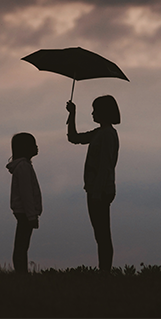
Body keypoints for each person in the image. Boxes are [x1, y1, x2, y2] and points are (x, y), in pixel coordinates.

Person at [66, 95, 120, 272]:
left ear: (104, 112)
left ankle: (105, 271)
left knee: (102, 233)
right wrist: (72, 114)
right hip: (97, 190)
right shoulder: (100, 133)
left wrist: (97, 192)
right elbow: (74, 138)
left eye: (95, 109)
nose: (92, 113)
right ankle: (104, 270)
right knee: (100, 233)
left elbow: (105, 165)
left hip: (101, 191)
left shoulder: (107, 134)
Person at [5, 132, 42, 274]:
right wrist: (32, 216)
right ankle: (21, 273)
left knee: (22, 244)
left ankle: (21, 272)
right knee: (22, 245)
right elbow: (26, 194)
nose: (36, 147)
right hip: (25, 213)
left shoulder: (23, 167)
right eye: (33, 144)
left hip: (24, 212)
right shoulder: (23, 167)